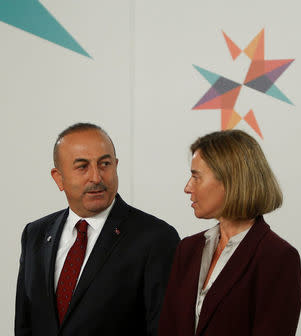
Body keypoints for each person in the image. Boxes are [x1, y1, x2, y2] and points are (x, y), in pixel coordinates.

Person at [15, 123, 180, 336]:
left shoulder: (156, 238)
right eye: (82, 166)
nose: (96, 177)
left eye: (105, 164)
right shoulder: (35, 234)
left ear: (116, 166)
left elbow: (163, 328)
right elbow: (24, 324)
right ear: (58, 178)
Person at [158, 130, 301, 336]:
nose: (187, 188)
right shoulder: (188, 249)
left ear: (230, 180)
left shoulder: (277, 257)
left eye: (196, 177)